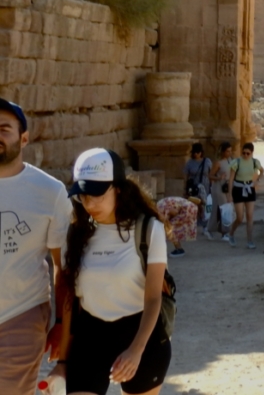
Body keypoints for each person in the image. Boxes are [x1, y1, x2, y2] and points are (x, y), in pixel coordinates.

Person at [56, 148, 170, 395]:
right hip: (90, 337)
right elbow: (69, 302)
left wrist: (136, 351)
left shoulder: (149, 230)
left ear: (118, 188)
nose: (89, 203)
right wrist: (62, 362)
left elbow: (153, 298)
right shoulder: (75, 233)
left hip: (141, 335)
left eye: (97, 194)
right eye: (83, 195)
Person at [0, 98, 72, 395]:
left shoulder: (50, 192)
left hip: (21, 315)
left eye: (4, 129)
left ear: (24, 138)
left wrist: (60, 325)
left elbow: (63, 267)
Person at [227, 142, 264, 249]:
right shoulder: (236, 162)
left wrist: (257, 180)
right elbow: (230, 180)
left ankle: (250, 240)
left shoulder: (254, 162)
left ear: (252, 153)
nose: (245, 155)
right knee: (239, 217)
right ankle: (231, 233)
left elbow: (262, 171)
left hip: (250, 189)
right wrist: (229, 194)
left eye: (248, 153)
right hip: (238, 189)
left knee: (250, 215)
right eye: (243, 153)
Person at [182, 143, 211, 232]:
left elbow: (211, 174)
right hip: (194, 187)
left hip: (204, 186)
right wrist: (185, 188)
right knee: (196, 204)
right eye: (194, 152)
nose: (196, 154)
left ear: (201, 152)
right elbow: (185, 176)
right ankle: (197, 223)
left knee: (204, 204)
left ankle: (204, 223)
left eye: (198, 152)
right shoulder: (189, 163)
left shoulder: (207, 161)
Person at [207, 141, 232, 238]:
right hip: (218, 188)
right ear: (222, 152)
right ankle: (223, 232)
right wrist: (219, 177)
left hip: (227, 188)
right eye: (227, 151)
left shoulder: (230, 161)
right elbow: (210, 176)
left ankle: (214, 229)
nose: (229, 153)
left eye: (230, 151)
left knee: (226, 209)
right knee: (222, 210)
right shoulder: (218, 163)